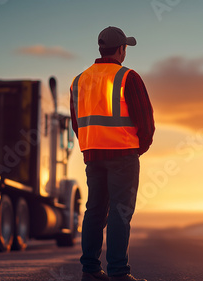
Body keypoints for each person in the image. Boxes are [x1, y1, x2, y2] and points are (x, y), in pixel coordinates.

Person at [70, 26, 154, 281]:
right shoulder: (127, 77)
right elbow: (145, 121)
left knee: (94, 210)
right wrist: (138, 148)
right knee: (120, 211)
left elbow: (77, 123)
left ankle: (91, 271)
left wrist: (90, 145)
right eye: (125, 47)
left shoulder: (79, 80)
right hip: (122, 154)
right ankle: (119, 273)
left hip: (92, 154)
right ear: (121, 49)